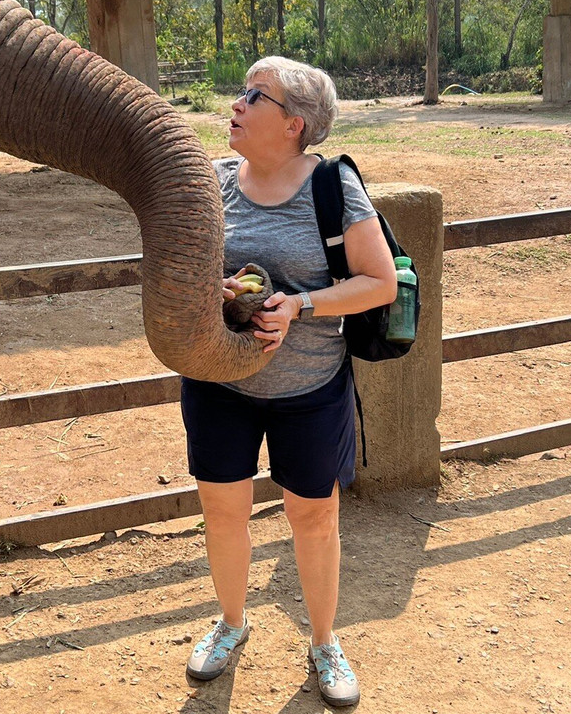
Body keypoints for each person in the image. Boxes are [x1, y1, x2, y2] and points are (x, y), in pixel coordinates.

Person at [181, 56, 396, 707]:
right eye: (241, 92)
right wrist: (215, 294)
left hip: (309, 389)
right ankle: (232, 623)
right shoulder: (213, 183)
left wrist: (298, 305)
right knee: (223, 511)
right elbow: (181, 274)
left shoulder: (333, 188)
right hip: (221, 386)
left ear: (294, 124)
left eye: (255, 95)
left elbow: (379, 281)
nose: (237, 103)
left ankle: (325, 641)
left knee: (314, 517)